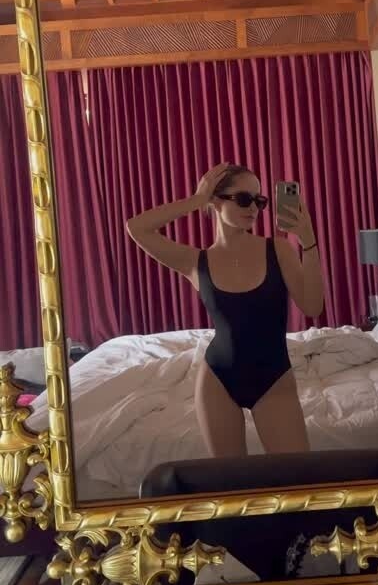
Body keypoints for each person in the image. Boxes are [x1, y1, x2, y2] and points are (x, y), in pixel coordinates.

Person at [126, 163, 324, 457]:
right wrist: (196, 200)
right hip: (218, 381)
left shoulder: (278, 250)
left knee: (298, 477)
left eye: (259, 201)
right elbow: (136, 228)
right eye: (243, 199)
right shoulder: (195, 262)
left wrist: (308, 241)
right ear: (216, 201)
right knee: (231, 480)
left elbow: (312, 306)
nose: (253, 208)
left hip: (274, 378)